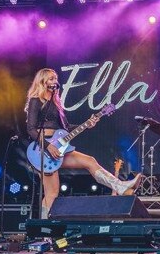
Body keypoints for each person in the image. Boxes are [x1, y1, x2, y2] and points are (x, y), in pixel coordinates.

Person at [25, 68, 141, 218]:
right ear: (42, 81)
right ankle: (44, 232)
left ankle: (120, 186)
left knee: (90, 161)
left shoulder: (56, 103)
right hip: (43, 151)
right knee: (52, 193)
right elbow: (31, 129)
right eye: (51, 79)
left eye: (55, 78)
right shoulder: (36, 101)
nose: (55, 82)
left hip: (59, 148)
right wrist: (48, 146)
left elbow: (66, 129)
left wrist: (87, 123)